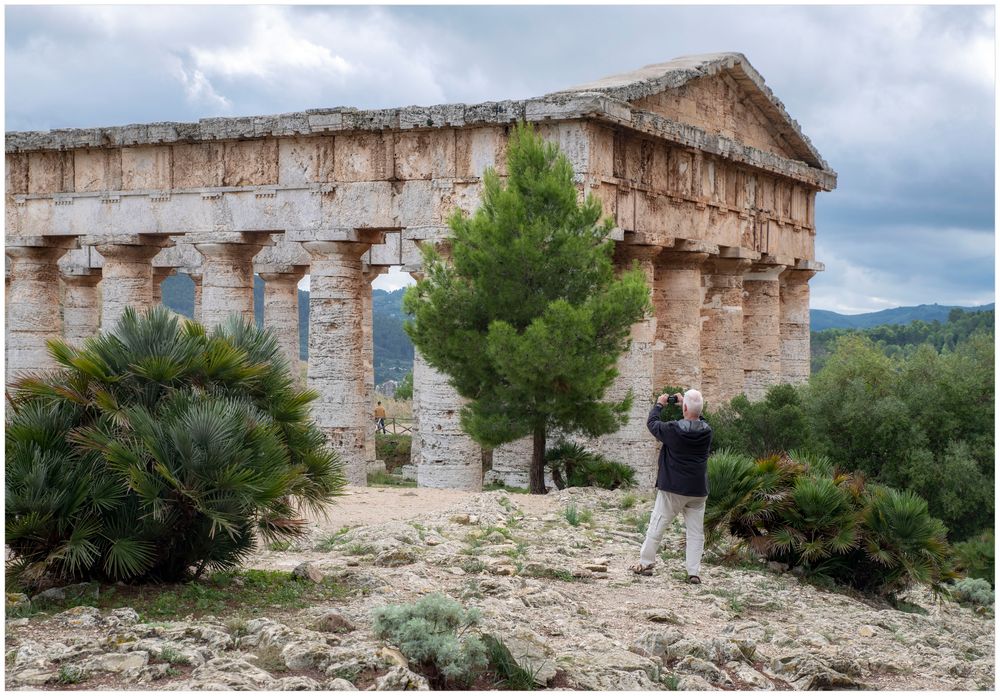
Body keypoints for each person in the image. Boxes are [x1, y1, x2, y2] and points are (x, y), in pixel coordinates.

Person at [631, 389, 712, 584]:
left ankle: (646, 563)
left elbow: (652, 423)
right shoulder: (707, 431)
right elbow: (698, 419)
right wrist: (689, 405)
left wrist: (660, 404)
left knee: (657, 524)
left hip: (673, 488)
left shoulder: (673, 430)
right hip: (698, 490)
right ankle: (694, 572)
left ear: (684, 407)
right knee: (695, 533)